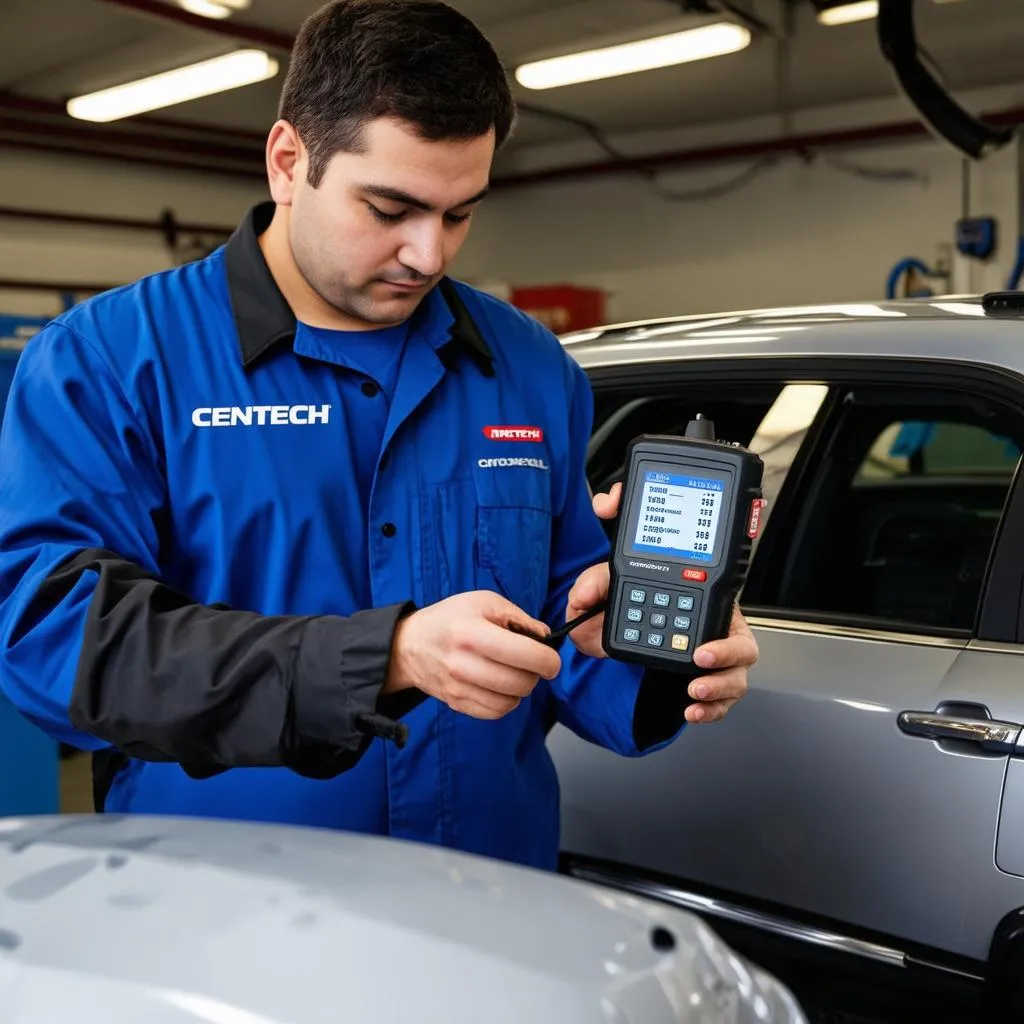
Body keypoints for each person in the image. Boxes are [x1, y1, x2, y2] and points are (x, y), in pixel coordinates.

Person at [0, 0, 757, 871]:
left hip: (487, 884)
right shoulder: (110, 360)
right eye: (390, 207)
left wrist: (663, 655)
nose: (430, 254)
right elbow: (56, 643)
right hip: (222, 903)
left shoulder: (527, 363)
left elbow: (558, 619)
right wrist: (384, 659)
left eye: (461, 212)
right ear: (289, 162)